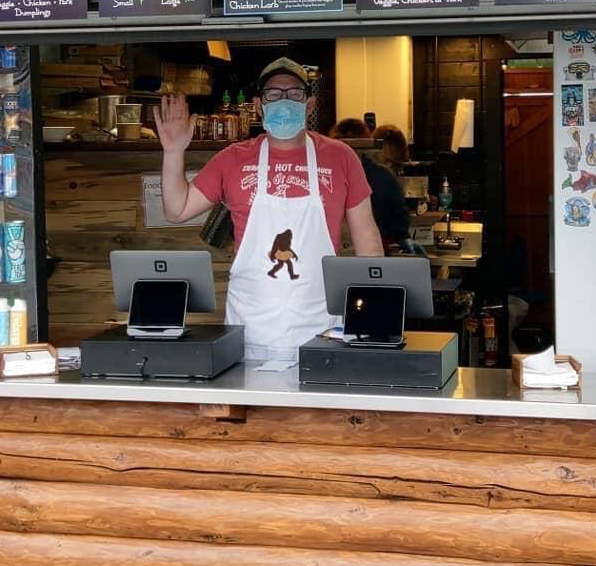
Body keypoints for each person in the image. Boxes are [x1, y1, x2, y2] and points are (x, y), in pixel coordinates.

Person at [159, 57, 383, 362]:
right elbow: (177, 210)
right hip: (250, 328)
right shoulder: (232, 159)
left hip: (323, 325)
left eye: (294, 94)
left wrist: (372, 315)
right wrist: (173, 152)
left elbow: (367, 240)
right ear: (259, 105)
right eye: (274, 94)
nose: (284, 101)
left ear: (310, 104)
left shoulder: (340, 157)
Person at [332, 118, 412, 251]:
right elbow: (401, 223)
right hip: (377, 249)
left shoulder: (325, 175)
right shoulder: (382, 176)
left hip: (336, 251)